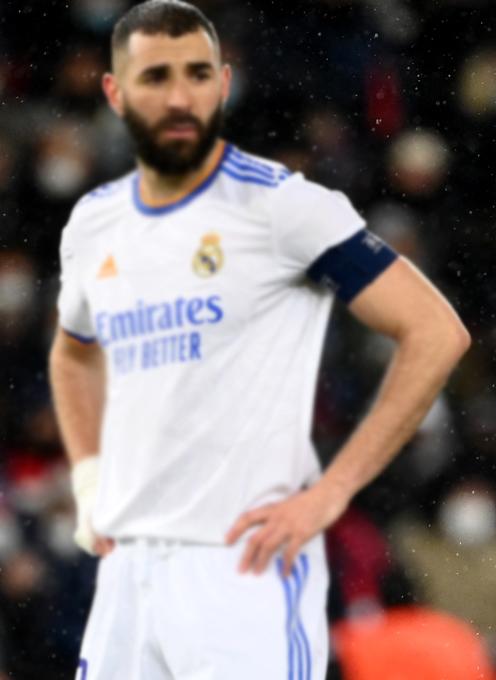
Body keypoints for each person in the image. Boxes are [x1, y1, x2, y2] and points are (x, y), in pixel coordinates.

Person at [48, 1, 469, 678]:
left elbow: (435, 331)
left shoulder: (282, 207)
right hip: (128, 565)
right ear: (115, 92)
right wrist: (89, 475)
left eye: (197, 73)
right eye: (156, 76)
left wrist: (332, 491)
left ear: (223, 82)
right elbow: (72, 353)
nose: (180, 95)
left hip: (241, 564)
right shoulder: (94, 224)